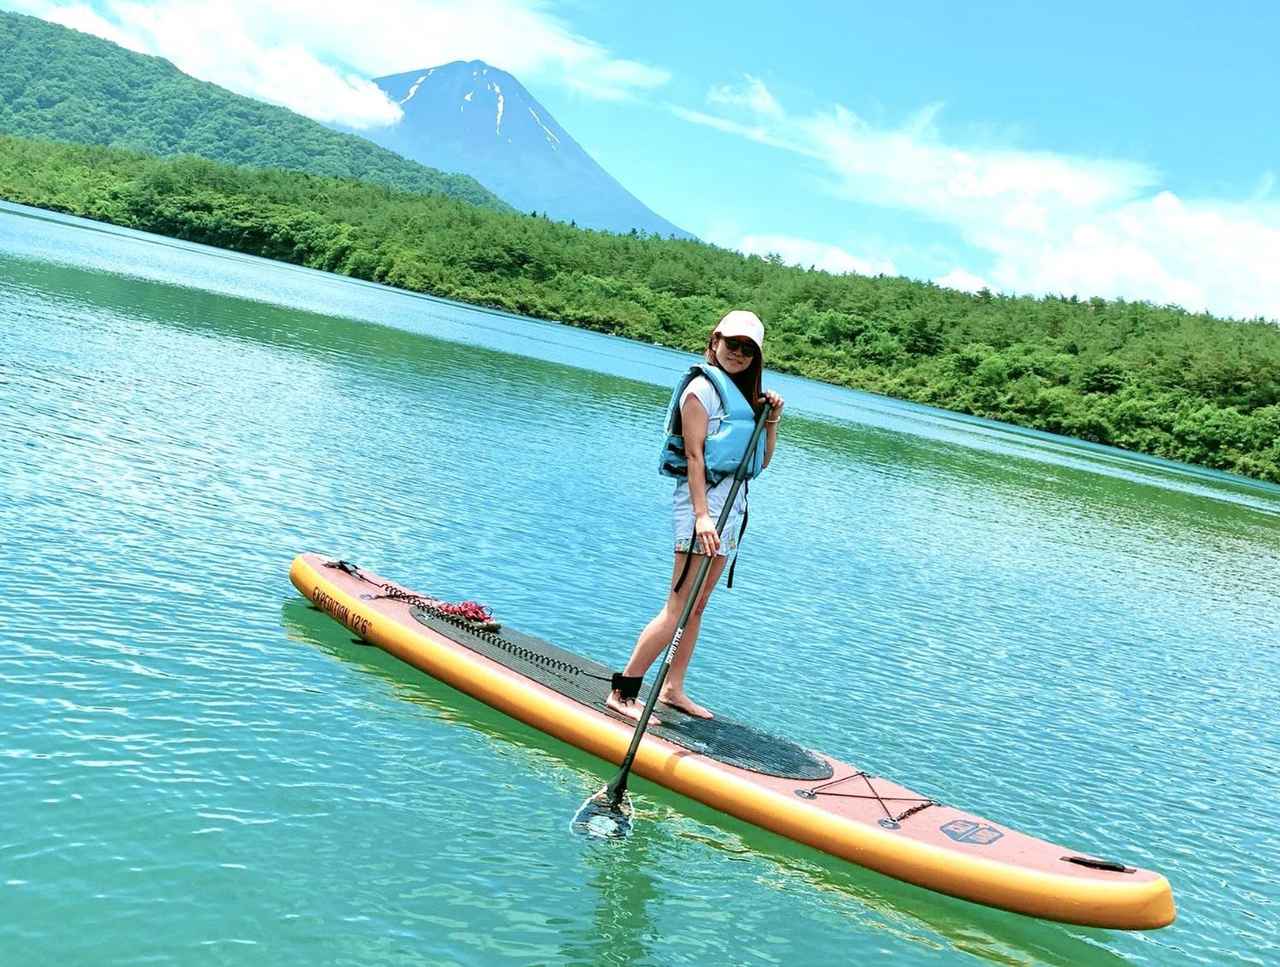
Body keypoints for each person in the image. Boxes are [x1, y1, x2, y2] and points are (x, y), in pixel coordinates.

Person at [605, 310, 784, 722]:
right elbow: (694, 456)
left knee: (698, 605)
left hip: (732, 510)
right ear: (715, 341)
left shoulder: (747, 400)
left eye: (747, 349)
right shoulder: (700, 391)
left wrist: (771, 420)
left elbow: (762, 461)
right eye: (731, 344)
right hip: (701, 509)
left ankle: (672, 688)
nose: (737, 354)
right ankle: (624, 690)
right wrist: (702, 517)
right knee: (678, 605)